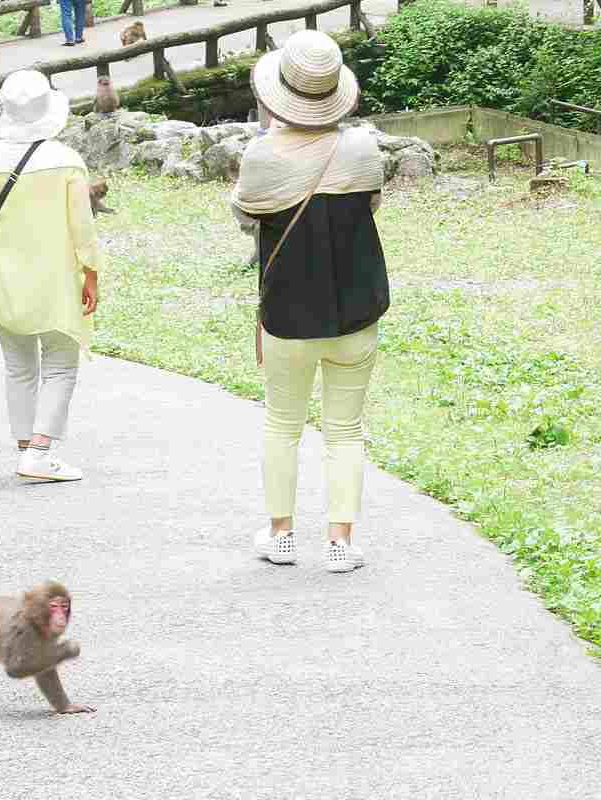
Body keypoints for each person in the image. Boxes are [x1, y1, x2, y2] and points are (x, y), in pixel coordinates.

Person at [231, 30, 388, 572]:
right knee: (345, 430)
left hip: (289, 313)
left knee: (282, 423)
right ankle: (341, 543)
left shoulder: (261, 155)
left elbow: (247, 215)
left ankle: (281, 535)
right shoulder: (364, 147)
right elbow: (370, 203)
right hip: (356, 308)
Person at [0, 70, 103, 482]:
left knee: (18, 366)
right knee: (60, 363)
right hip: (55, 275)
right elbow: (82, 226)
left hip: (3, 271)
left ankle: (26, 449)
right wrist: (91, 274)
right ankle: (39, 452)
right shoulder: (66, 161)